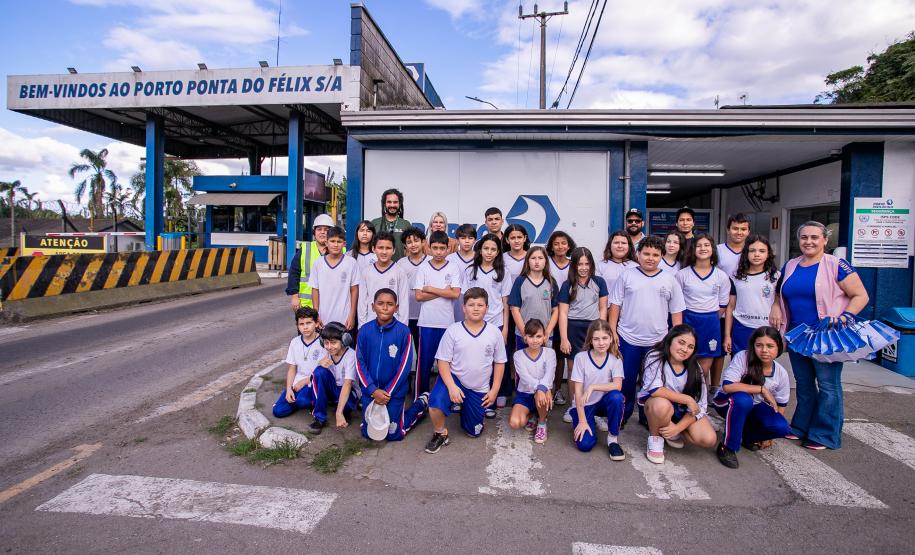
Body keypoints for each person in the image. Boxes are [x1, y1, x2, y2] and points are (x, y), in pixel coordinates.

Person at [770, 221, 869, 450]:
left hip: (825, 337)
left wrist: (845, 317)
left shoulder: (837, 265)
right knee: (804, 384)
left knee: (828, 385)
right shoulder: (791, 265)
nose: (809, 242)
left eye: (815, 237)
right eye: (804, 237)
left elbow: (860, 296)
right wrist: (775, 306)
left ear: (825, 240)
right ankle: (801, 426)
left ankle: (825, 434)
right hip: (797, 335)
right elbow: (779, 292)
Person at [608, 235, 685, 425]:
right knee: (627, 380)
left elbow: (676, 312)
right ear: (638, 254)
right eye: (646, 254)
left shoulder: (669, 279)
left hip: (658, 341)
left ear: (661, 256)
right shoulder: (627, 275)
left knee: (652, 383)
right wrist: (612, 332)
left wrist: (675, 340)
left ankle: (646, 416)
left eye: (655, 255)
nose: (650, 258)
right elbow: (615, 305)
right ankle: (623, 415)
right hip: (628, 338)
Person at [424, 287, 508, 454]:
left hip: (479, 387)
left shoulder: (494, 332)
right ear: (463, 308)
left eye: (480, 305)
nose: (475, 308)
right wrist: (451, 387)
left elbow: (499, 362)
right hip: (455, 379)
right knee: (435, 403)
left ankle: (467, 408)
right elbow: (443, 361)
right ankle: (440, 432)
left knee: (473, 432)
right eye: (471, 305)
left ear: (487, 308)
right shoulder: (453, 330)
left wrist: (495, 390)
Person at [712, 326, 791, 469]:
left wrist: (768, 434)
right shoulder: (743, 357)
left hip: (753, 407)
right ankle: (727, 447)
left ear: (778, 347)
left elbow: (781, 404)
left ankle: (747, 436)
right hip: (727, 402)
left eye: (770, 346)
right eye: (759, 345)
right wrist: (761, 389)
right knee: (743, 400)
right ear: (753, 346)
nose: (764, 350)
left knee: (781, 427)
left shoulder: (781, 373)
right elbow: (727, 386)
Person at [355, 289, 429, 441]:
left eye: (390, 304)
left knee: (394, 433)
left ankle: (420, 404)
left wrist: (387, 392)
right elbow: (359, 363)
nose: (385, 307)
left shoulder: (404, 332)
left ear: (396, 307)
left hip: (393, 393)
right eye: (380, 303)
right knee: (368, 433)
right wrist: (373, 390)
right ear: (372, 306)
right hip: (371, 392)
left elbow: (404, 367)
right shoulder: (364, 331)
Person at [638, 324, 717, 464]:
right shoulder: (655, 356)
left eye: (690, 347)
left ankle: (671, 430)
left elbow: (701, 405)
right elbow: (655, 389)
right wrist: (687, 399)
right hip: (657, 406)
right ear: (670, 339)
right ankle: (655, 439)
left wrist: (677, 428)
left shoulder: (695, 369)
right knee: (661, 405)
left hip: (681, 411)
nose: (685, 349)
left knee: (709, 439)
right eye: (681, 342)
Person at [463, 233, 513, 415]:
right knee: (478, 360)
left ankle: (498, 392)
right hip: (475, 322)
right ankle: (474, 396)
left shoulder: (503, 272)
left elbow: (505, 301)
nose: (489, 252)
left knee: (498, 360)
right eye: (486, 248)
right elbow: (466, 298)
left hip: (496, 322)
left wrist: (506, 328)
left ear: (499, 251)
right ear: (480, 250)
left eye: (493, 249)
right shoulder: (470, 270)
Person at [676, 233, 731, 389]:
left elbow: (723, 304)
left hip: (710, 322)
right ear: (693, 250)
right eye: (699, 245)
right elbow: (676, 303)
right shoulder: (682, 274)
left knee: (703, 369)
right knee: (684, 362)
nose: (703, 248)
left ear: (712, 249)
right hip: (688, 320)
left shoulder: (721, 276)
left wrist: (709, 317)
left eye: (706, 245)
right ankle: (684, 399)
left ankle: (701, 403)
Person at [558, 247, 609, 411]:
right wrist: (564, 338)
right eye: (580, 264)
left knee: (594, 368)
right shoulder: (567, 285)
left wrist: (601, 333)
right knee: (573, 369)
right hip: (573, 328)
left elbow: (603, 308)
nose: (583, 268)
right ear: (573, 265)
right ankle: (574, 406)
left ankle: (594, 407)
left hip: (593, 329)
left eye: (587, 264)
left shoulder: (599, 282)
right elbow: (563, 312)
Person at [413, 230, 462, 399]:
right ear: (429, 248)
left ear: (449, 249)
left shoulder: (454, 267)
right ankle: (421, 395)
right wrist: (444, 291)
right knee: (424, 363)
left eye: (442, 248)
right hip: (427, 323)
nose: (439, 252)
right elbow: (419, 296)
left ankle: (448, 395)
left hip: (447, 323)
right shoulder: (424, 267)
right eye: (435, 248)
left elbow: (455, 294)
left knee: (448, 363)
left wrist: (431, 288)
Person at [570, 320, 626, 461]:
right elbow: (577, 392)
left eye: (605, 338)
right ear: (590, 340)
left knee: (617, 397)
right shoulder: (580, 358)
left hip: (603, 402)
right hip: (585, 404)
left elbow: (617, 385)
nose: (601, 343)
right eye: (596, 339)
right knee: (585, 445)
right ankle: (581, 417)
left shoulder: (616, 359)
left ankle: (613, 439)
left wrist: (593, 387)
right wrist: (582, 421)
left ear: (611, 338)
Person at [724, 235, 780, 354]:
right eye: (752, 250)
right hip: (741, 327)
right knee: (740, 368)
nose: (757, 254)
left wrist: (776, 304)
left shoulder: (776, 276)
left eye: (762, 251)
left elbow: (780, 299)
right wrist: (727, 335)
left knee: (762, 368)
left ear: (768, 253)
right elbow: (730, 307)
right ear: (746, 253)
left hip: (766, 328)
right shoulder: (735, 277)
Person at [272, 307, 326, 419]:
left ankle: (314, 399)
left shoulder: (323, 342)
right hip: (297, 383)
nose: (305, 327)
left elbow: (324, 371)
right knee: (278, 411)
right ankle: (297, 399)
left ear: (316, 323)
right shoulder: (294, 342)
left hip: (313, 382)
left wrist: (304, 381)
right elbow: (292, 368)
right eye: (301, 324)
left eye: (309, 323)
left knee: (303, 401)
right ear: (297, 326)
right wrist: (288, 389)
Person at [509, 318, 557, 444]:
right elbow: (525, 377)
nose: (535, 340)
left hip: (543, 393)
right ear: (525, 338)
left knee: (541, 394)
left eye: (538, 336)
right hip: (525, 393)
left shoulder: (550, 353)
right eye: (531, 336)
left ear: (544, 337)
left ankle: (541, 422)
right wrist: (539, 388)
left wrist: (542, 389)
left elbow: (549, 374)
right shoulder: (518, 355)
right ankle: (532, 414)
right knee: (515, 423)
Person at [308, 322, 359, 434]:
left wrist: (338, 413)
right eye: (326, 343)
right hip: (332, 389)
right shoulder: (325, 351)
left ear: (344, 340)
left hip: (348, 390)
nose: (329, 347)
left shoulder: (351, 355)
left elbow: (348, 384)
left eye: (334, 342)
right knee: (319, 372)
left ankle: (342, 410)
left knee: (345, 408)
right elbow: (313, 377)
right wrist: (319, 363)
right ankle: (319, 417)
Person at [308, 226, 359, 332]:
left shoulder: (351, 263)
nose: (335, 245)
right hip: (323, 319)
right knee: (326, 347)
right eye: (332, 241)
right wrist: (316, 314)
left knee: (343, 347)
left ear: (344, 244)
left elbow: (354, 290)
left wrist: (352, 315)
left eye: (339, 241)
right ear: (326, 243)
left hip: (344, 319)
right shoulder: (318, 263)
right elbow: (315, 290)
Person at [509, 246, 559, 351]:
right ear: (527, 261)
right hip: (524, 335)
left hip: (544, 335)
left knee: (545, 365)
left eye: (540, 258)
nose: (537, 261)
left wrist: (548, 332)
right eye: (533, 258)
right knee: (523, 364)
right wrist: (525, 333)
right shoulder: (520, 281)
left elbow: (556, 310)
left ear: (546, 261)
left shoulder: (551, 282)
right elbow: (514, 309)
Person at [357, 231, 410, 328]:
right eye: (380, 248)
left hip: (394, 326)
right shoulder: (366, 272)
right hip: (371, 325)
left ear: (394, 250)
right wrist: (362, 326)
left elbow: (403, 303)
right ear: (373, 249)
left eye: (388, 248)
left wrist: (402, 327)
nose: (384, 252)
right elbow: (362, 303)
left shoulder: (400, 272)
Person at [286, 213, 335, 310]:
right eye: (319, 229)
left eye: (326, 230)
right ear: (314, 232)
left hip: (331, 304)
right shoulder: (305, 249)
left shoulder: (341, 250)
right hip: (307, 304)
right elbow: (294, 273)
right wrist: (294, 296)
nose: (322, 232)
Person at [395, 227, 428, 346]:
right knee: (405, 349)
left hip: (425, 315)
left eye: (416, 240)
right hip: (406, 314)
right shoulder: (400, 263)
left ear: (423, 242)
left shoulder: (430, 262)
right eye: (409, 242)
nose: (413, 244)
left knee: (422, 350)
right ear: (405, 245)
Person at [446, 223, 478, 322]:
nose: (467, 241)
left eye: (470, 238)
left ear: (475, 240)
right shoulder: (450, 259)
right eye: (463, 238)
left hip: (475, 301)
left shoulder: (480, 258)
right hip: (454, 302)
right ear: (457, 240)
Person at [371, 188, 411, 261]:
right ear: (384, 203)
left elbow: (409, 248)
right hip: (379, 268)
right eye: (389, 202)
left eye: (395, 202)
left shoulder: (406, 224)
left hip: (400, 267)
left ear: (399, 204)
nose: (392, 205)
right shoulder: (375, 223)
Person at [717, 213, 750, 277]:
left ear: (748, 232)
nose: (739, 232)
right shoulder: (717, 250)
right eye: (735, 228)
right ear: (728, 230)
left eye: (743, 229)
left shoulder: (753, 251)